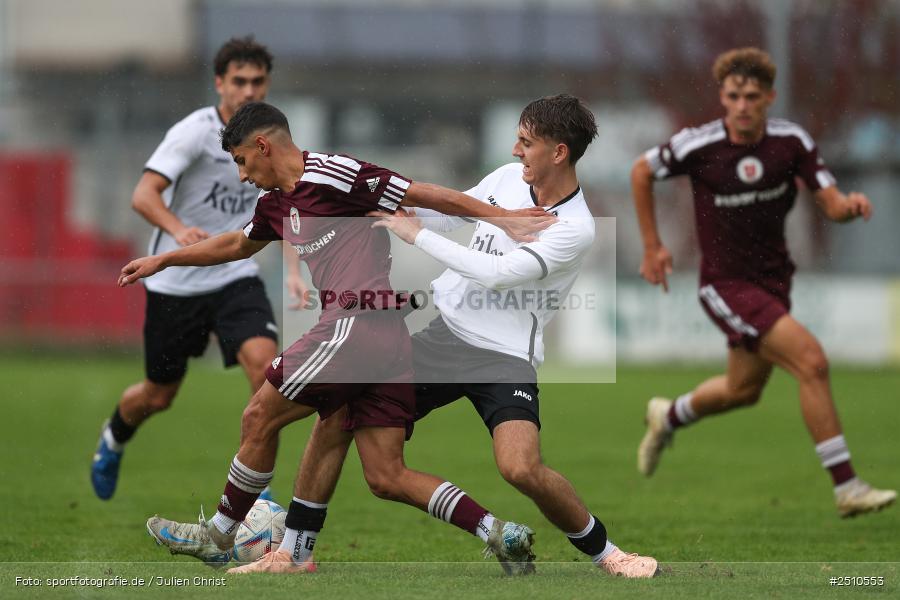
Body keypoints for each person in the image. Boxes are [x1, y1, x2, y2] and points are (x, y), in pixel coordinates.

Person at [229, 94, 658, 578]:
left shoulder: (576, 228)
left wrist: (416, 236)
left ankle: (610, 555)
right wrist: (381, 213)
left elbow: (501, 273)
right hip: (440, 337)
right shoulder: (503, 181)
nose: (516, 151)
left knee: (520, 468)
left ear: (559, 152)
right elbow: (452, 215)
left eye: (526, 142)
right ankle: (294, 551)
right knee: (340, 412)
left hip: (504, 357)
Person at [121, 101, 557, 573]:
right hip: (386, 340)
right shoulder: (274, 205)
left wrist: (501, 218)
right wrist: (165, 259)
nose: (243, 176)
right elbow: (234, 244)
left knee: (259, 415)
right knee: (385, 474)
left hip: (356, 326)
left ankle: (219, 535)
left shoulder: (336, 174)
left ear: (263, 146)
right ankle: (496, 532)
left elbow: (424, 193)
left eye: (242, 161)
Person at [631, 47, 896, 517]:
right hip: (725, 285)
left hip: (774, 282)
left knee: (742, 390)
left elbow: (829, 202)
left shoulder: (791, 142)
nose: (743, 105)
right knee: (811, 361)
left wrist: (849, 206)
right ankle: (847, 487)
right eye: (734, 95)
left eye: (753, 96)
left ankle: (667, 415)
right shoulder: (699, 145)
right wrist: (653, 246)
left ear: (770, 97)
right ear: (723, 97)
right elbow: (641, 170)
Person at [90, 37, 305, 501]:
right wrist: (177, 227)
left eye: (258, 81)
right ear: (219, 83)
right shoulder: (193, 131)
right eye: (239, 81)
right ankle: (113, 437)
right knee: (158, 395)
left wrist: (292, 270)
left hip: (235, 275)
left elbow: (288, 206)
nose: (249, 90)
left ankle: (256, 494)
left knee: (266, 374)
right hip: (177, 282)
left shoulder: (271, 136)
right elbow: (143, 195)